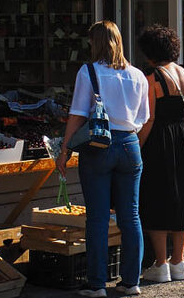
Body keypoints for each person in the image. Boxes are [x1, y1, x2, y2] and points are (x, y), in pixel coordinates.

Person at [58, 21, 149, 298]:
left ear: (95, 43)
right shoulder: (138, 75)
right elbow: (143, 117)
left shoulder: (88, 72)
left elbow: (77, 113)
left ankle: (97, 284)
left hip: (98, 145)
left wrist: (64, 150)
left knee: (97, 218)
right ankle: (131, 281)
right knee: (130, 215)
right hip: (130, 144)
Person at [136, 24, 184, 284]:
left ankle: (161, 264)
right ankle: (179, 262)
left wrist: (137, 147)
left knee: (157, 197)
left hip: (158, 141)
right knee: (181, 198)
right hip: (182, 140)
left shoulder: (152, 77)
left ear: (150, 51)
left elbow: (149, 119)